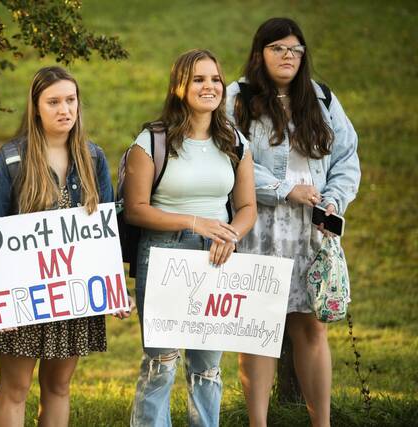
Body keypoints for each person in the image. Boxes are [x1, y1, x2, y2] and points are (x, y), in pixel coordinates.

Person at [0, 66, 130, 427]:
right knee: (15, 388)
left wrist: (113, 288)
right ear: (36, 107)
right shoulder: (11, 160)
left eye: (71, 100)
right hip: (23, 293)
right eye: (54, 102)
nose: (65, 109)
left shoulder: (93, 158)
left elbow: (105, 233)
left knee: (59, 386)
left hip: (72, 295)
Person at [226, 17, 360, 427]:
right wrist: (285, 189)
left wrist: (334, 201)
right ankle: (258, 423)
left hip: (311, 232)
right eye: (278, 49)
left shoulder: (322, 98)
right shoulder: (237, 97)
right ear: (260, 53)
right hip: (258, 226)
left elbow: (346, 159)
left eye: (295, 50)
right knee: (258, 330)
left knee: (312, 329)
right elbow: (231, 157)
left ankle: (322, 423)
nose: (288, 57)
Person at [125, 49, 257, 427]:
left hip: (218, 258)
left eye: (215, 79)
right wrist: (194, 222)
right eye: (199, 79)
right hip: (164, 256)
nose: (209, 86)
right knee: (162, 361)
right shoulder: (152, 140)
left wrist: (231, 234)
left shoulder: (235, 141)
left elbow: (247, 206)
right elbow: (135, 208)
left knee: (208, 366)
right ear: (179, 86)